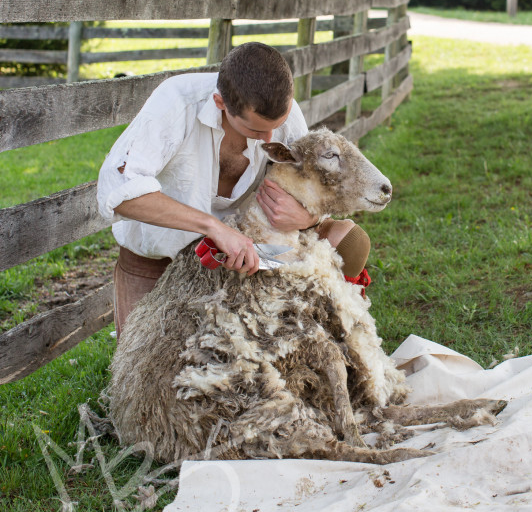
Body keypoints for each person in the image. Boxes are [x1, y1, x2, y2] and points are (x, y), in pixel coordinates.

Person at [97, 42, 371, 337]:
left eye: (276, 125)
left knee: (347, 240)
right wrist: (213, 227)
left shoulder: (283, 113)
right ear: (220, 103)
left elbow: (312, 180)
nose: (269, 138)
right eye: (254, 131)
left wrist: (308, 219)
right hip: (161, 255)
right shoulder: (176, 102)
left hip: (249, 257)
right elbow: (118, 190)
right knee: (151, 367)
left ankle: (342, 331)